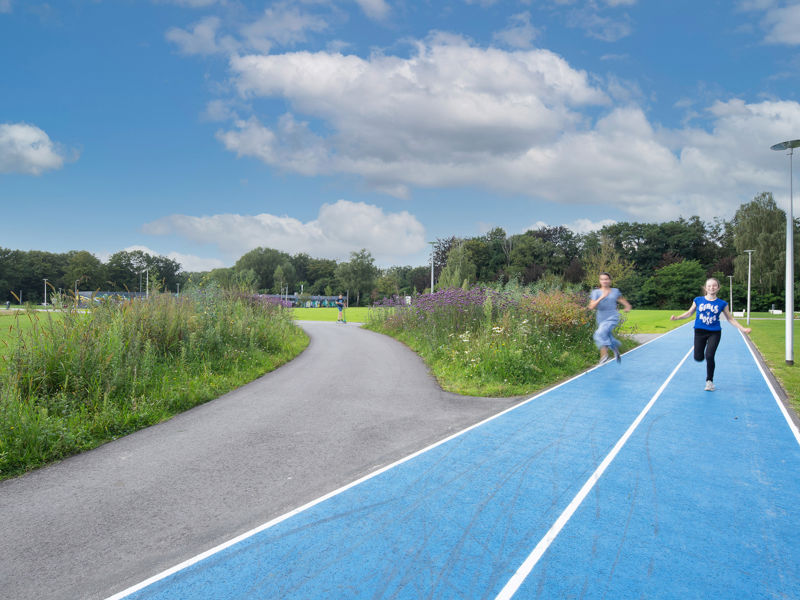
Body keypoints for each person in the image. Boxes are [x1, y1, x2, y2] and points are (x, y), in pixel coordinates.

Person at [670, 277, 751, 391]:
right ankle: (700, 357)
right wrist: (677, 318)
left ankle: (709, 381)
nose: (711, 288)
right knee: (698, 357)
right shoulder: (698, 300)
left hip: (714, 332)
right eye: (709, 286)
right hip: (699, 331)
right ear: (705, 288)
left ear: (718, 288)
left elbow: (730, 319)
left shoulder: (722, 303)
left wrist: (742, 328)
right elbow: (689, 313)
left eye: (714, 286)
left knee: (710, 355)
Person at [589, 272, 632, 365]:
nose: (604, 281)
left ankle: (604, 356)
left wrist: (627, 306)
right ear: (600, 281)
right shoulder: (595, 292)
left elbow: (620, 299)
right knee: (606, 335)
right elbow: (591, 306)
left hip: (612, 317)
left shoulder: (615, 291)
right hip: (601, 318)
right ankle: (614, 347)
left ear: (610, 280)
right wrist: (601, 297)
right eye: (602, 279)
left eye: (606, 279)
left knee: (599, 333)